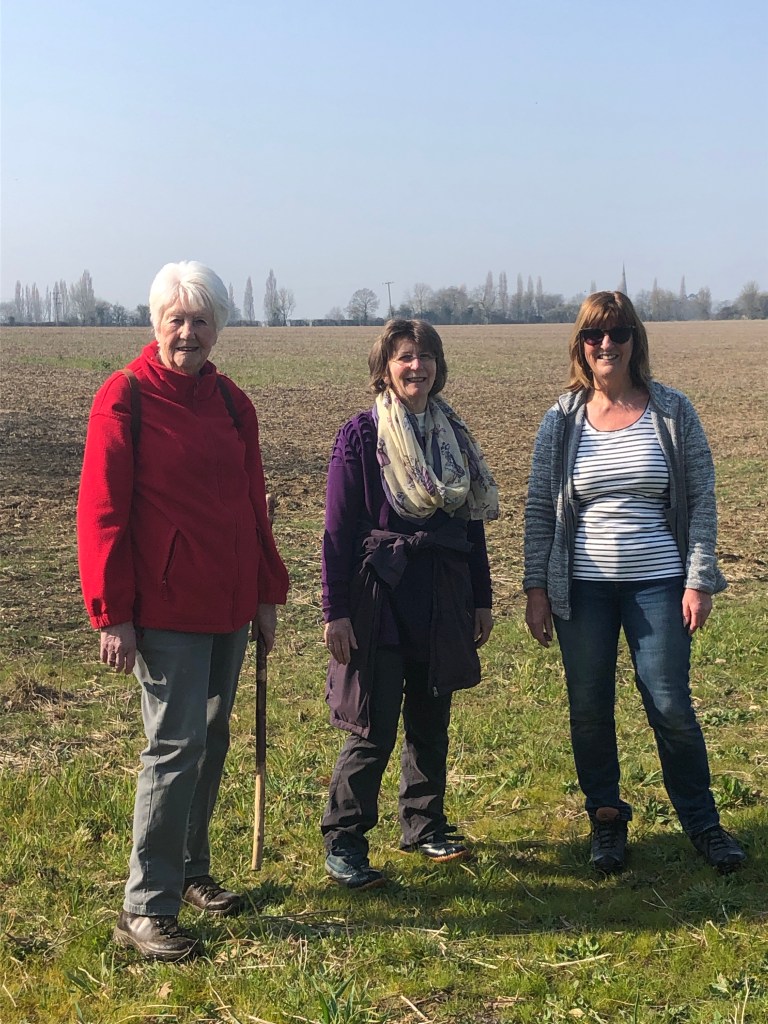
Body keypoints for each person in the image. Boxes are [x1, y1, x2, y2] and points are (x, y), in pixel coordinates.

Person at [77, 261, 289, 960]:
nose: (189, 333)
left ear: (217, 328)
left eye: (201, 320)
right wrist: (112, 613)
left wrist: (266, 590)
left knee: (211, 738)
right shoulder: (126, 397)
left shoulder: (231, 403)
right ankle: (145, 906)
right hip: (165, 609)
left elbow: (252, 504)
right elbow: (101, 513)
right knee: (173, 750)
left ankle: (191, 869)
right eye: (177, 319)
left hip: (229, 605)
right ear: (156, 323)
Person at [523, 291, 746, 875]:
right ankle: (606, 820)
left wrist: (699, 580)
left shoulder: (671, 411)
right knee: (589, 707)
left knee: (670, 704)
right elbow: (540, 508)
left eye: (618, 333)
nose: (606, 344)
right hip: (583, 590)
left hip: (660, 585)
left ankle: (704, 824)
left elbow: (700, 499)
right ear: (580, 345)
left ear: (634, 341)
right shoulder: (561, 419)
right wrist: (536, 589)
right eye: (594, 335)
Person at [320, 319, 499, 889]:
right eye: (404, 357)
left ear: (438, 367)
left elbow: (471, 525)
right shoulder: (361, 435)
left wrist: (481, 598)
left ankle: (424, 824)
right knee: (371, 726)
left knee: (431, 718)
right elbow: (336, 532)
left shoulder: (454, 439)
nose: (416, 366)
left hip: (442, 593)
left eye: (425, 356)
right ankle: (345, 839)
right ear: (385, 368)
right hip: (379, 597)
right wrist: (335, 610)